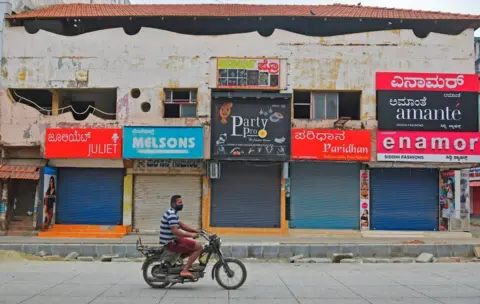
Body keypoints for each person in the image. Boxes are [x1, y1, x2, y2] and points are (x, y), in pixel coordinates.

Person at [160, 194, 202, 280]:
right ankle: (185, 270)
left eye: (182, 202)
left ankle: (177, 262)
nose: (181, 204)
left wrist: (195, 230)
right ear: (173, 204)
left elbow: (182, 226)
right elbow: (176, 231)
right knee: (199, 247)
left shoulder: (172, 213)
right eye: (179, 203)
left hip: (174, 240)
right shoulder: (171, 215)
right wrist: (191, 235)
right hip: (171, 242)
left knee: (192, 249)